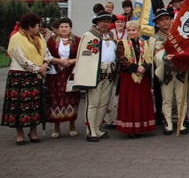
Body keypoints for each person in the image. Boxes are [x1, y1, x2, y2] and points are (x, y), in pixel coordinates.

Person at [2, 13, 51, 145]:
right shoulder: (16, 38)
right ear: (29, 26)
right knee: (20, 106)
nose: (38, 29)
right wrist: (38, 69)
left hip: (36, 75)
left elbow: (46, 51)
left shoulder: (38, 37)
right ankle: (20, 134)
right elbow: (21, 58)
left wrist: (45, 63)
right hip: (20, 75)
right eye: (36, 26)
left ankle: (33, 131)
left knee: (35, 104)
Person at [74, 11, 118, 142]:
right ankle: (90, 130)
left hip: (110, 73)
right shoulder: (89, 35)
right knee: (93, 103)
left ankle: (97, 128)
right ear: (97, 22)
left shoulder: (111, 35)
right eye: (102, 21)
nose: (105, 24)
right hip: (96, 74)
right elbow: (85, 57)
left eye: (108, 21)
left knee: (104, 103)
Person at [115, 21, 156, 138]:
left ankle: (141, 127)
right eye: (129, 30)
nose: (131, 32)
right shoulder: (121, 44)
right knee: (130, 102)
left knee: (141, 102)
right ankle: (130, 129)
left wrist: (144, 67)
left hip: (142, 77)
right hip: (129, 77)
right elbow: (121, 59)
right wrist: (135, 68)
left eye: (134, 30)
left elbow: (148, 58)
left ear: (138, 31)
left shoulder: (144, 43)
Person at [46, 17, 81, 139]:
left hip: (71, 74)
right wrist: (59, 60)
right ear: (58, 29)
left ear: (70, 28)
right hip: (56, 75)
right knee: (56, 99)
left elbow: (83, 56)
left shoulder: (77, 40)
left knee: (72, 98)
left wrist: (71, 61)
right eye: (61, 27)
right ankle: (56, 127)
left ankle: (72, 125)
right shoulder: (51, 41)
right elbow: (46, 56)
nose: (64, 29)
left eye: (66, 26)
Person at [104, 14, 128, 127]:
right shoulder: (111, 33)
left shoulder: (128, 33)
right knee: (112, 89)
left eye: (122, 22)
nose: (120, 24)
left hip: (124, 64)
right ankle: (110, 118)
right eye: (118, 22)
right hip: (114, 64)